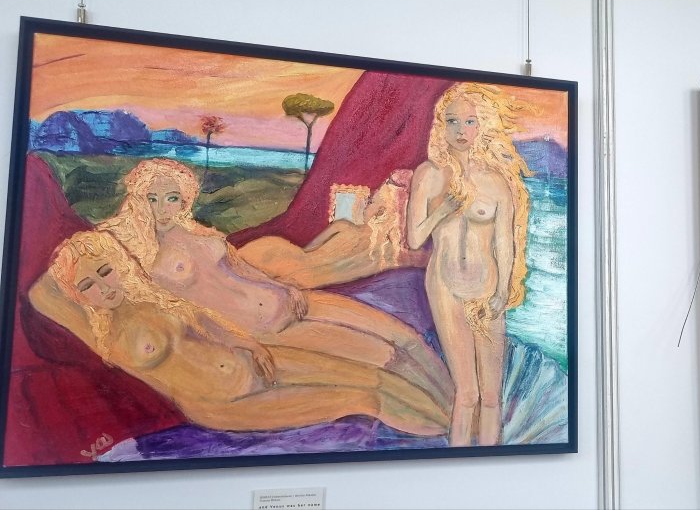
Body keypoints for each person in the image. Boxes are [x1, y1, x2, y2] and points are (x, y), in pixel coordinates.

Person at [94, 158, 452, 407]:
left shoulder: (197, 232)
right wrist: (243, 342)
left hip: (284, 298)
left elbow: (240, 267)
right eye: (152, 198)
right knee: (384, 356)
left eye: (172, 198)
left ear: (184, 200)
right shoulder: (136, 255)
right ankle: (448, 414)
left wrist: (287, 287)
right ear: (137, 199)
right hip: (262, 328)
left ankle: (461, 408)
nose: (162, 208)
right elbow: (186, 315)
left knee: (405, 337)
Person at [29, 230, 448, 435]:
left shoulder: (154, 296)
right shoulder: (100, 333)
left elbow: (205, 321)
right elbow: (40, 292)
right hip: (224, 402)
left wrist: (247, 343)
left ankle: (457, 427)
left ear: (120, 265)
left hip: (255, 361)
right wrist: (83, 252)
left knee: (376, 377)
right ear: (76, 295)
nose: (103, 288)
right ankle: (451, 435)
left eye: (106, 272)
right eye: (88, 285)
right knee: (365, 399)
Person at [407, 82, 532, 447]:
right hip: (444, 287)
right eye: (452, 121)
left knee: (491, 396)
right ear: (441, 126)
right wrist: (442, 211)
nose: (460, 130)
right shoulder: (428, 175)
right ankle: (456, 462)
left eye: (469, 121)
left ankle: (492, 463)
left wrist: (502, 292)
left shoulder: (496, 182)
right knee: (466, 394)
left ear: (482, 126)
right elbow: (414, 239)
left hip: (487, 288)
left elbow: (505, 244)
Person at [236, 169, 428, 289]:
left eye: (371, 202)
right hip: (305, 271)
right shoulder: (385, 255)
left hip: (296, 264)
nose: (367, 204)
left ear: (380, 211)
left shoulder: (344, 227)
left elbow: (307, 250)